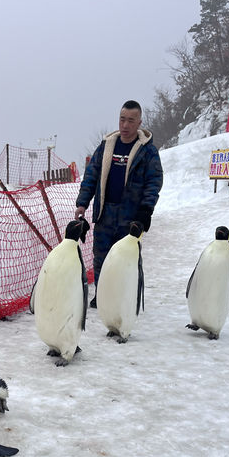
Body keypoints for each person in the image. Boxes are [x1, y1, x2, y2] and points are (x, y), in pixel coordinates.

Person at [75, 100, 163, 307]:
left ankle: (125, 296)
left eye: (131, 121)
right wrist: (82, 203)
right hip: (105, 213)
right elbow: (91, 176)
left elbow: (154, 182)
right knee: (101, 257)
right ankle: (102, 295)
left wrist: (145, 211)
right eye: (122, 119)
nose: (125, 125)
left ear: (139, 122)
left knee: (126, 260)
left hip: (130, 216)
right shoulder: (107, 146)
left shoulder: (147, 152)